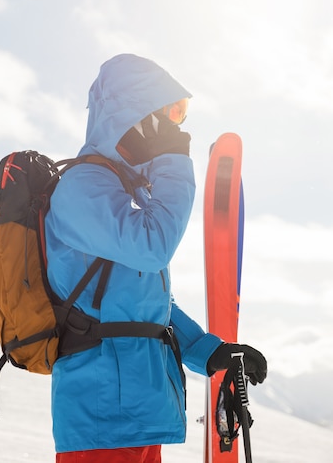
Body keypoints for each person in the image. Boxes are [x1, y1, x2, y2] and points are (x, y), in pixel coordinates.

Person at [45, 53, 267, 462]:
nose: (173, 124)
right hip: (101, 420)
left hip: (139, 412)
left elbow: (144, 308)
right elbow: (155, 246)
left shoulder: (126, 193)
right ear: (130, 115)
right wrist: (174, 161)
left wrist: (209, 350)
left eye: (179, 113)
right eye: (166, 112)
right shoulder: (82, 188)